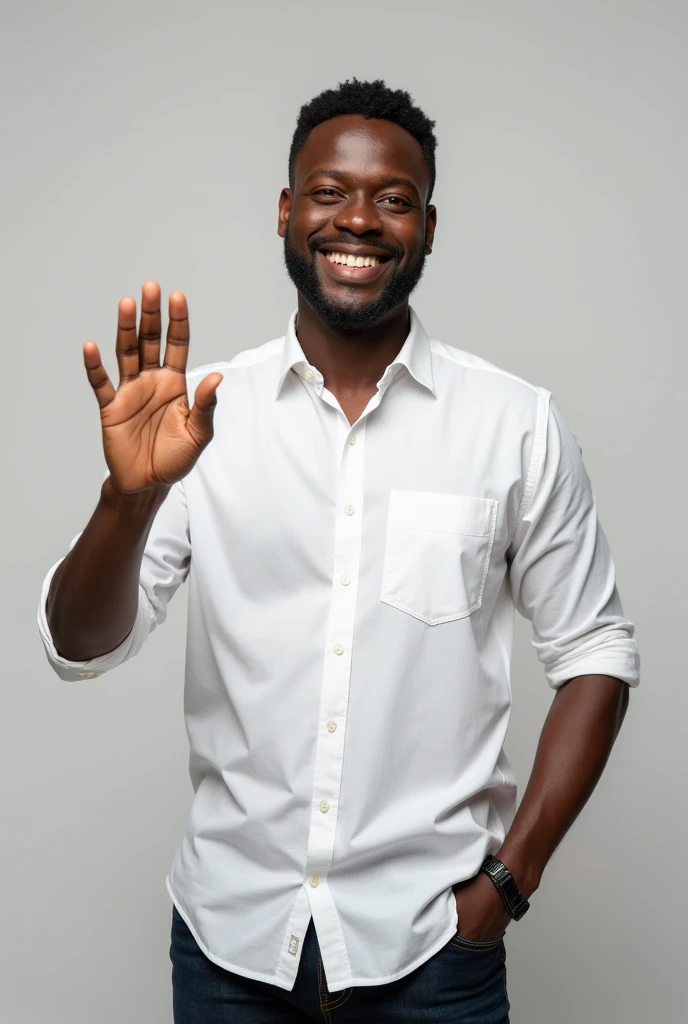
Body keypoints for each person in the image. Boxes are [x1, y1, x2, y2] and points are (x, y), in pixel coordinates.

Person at [37, 78, 640, 1023]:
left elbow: (597, 653)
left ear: (429, 226)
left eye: (393, 199)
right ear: (287, 209)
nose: (357, 219)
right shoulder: (200, 414)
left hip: (434, 954)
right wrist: (130, 498)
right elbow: (78, 646)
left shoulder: (515, 424)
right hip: (229, 948)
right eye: (328, 191)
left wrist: (505, 888)